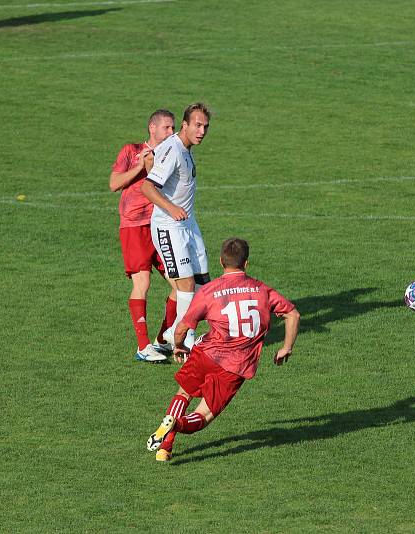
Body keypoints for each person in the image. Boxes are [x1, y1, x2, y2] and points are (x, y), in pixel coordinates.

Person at [146, 237, 300, 462]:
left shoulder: (209, 291)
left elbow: (182, 328)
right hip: (235, 367)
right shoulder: (262, 290)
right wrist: (286, 347)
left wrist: (178, 346)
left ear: (220, 261)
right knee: (203, 415)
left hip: (206, 353)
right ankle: (176, 425)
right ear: (246, 263)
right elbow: (292, 314)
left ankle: (165, 447)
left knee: (184, 393)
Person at [141, 103, 212, 351]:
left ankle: (175, 331)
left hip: (188, 224)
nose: (202, 131)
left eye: (205, 126)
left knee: (203, 281)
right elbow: (147, 187)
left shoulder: (184, 148)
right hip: (168, 226)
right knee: (186, 285)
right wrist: (171, 208)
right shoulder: (174, 149)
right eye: (197, 125)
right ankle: (184, 337)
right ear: (185, 125)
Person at [110, 109, 179, 363]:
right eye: (167, 128)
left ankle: (161, 340)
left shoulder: (171, 154)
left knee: (180, 286)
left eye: (173, 128)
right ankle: (142, 346)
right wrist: (141, 166)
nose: (172, 132)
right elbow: (114, 184)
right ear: (153, 127)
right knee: (142, 284)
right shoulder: (131, 150)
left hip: (160, 226)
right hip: (134, 226)